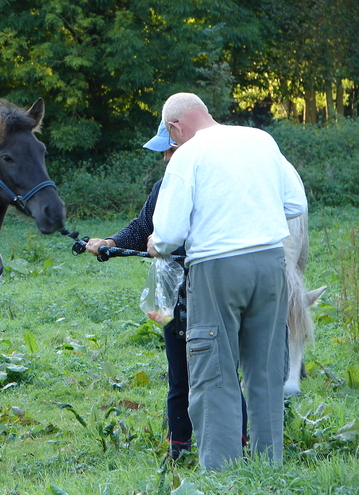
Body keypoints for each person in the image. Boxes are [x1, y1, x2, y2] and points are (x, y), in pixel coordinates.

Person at [147, 93, 307, 470]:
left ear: (174, 128)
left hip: (217, 271)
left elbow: (169, 233)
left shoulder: (187, 155)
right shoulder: (260, 140)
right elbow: (295, 204)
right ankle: (270, 465)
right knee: (266, 370)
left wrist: (157, 243)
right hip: (270, 266)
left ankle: (223, 474)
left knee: (213, 371)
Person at [85, 121, 247, 461]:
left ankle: (239, 445)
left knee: (221, 372)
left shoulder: (214, 183)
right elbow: (145, 226)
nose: (165, 158)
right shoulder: (163, 188)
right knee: (179, 377)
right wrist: (111, 243)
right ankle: (179, 450)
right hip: (175, 293)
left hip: (213, 289)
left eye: (170, 150)